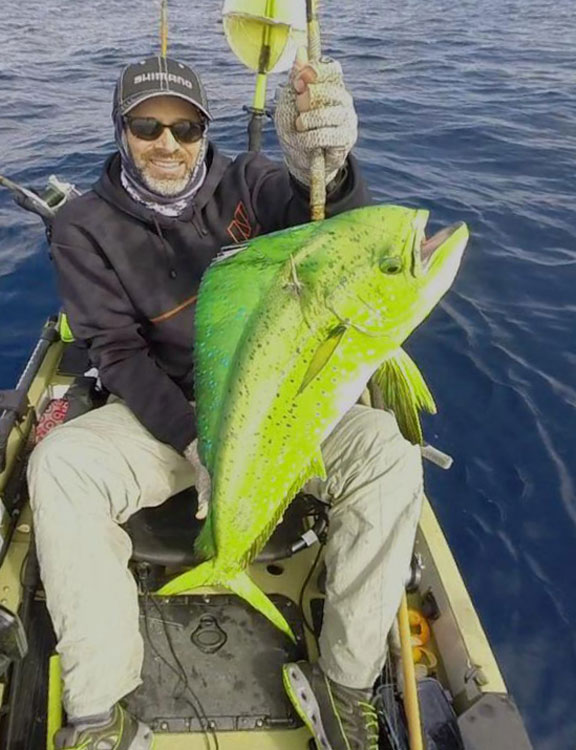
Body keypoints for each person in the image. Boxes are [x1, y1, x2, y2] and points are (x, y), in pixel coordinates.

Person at [27, 51, 423, 750]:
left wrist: (323, 169)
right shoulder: (83, 225)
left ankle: (345, 682)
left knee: (389, 456)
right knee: (60, 467)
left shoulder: (251, 182)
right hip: (166, 420)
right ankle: (99, 712)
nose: (168, 146)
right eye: (148, 127)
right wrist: (196, 440)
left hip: (275, 408)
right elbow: (116, 355)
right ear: (121, 130)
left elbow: (333, 238)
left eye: (186, 128)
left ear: (206, 130)